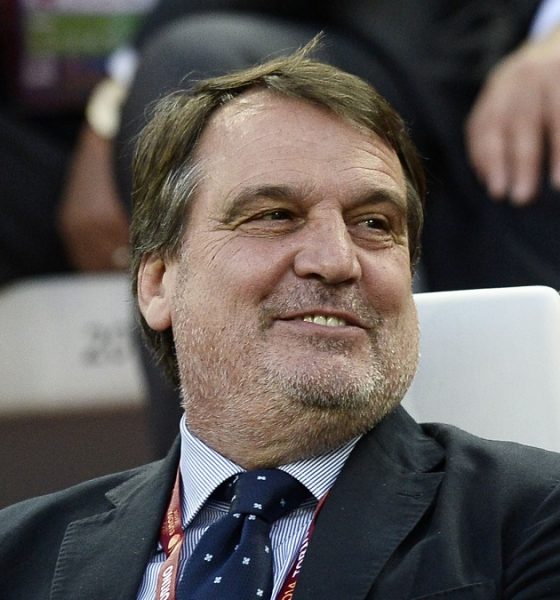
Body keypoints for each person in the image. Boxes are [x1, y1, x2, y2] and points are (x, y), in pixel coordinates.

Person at [2, 45, 560, 599]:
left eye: (373, 223)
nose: (336, 260)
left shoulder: (529, 521)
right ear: (158, 284)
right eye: (275, 215)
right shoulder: (18, 555)